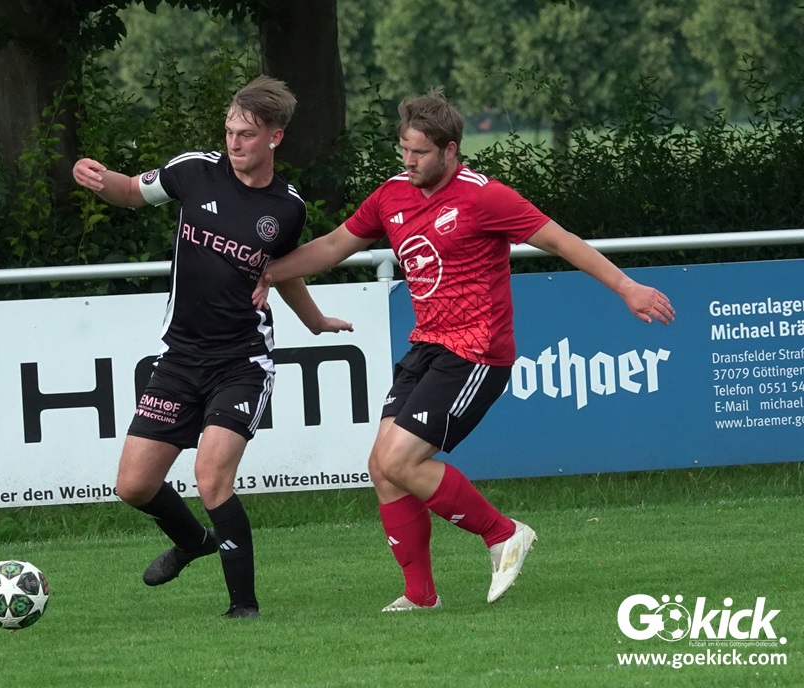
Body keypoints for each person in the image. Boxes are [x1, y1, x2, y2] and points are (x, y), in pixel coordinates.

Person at [253, 89, 675, 612]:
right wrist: (267, 271)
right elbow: (334, 245)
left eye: (420, 153)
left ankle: (503, 533)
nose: (408, 161)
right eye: (403, 150)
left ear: (450, 150)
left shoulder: (485, 197)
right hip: (427, 346)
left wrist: (628, 288)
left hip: (476, 351)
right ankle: (420, 595)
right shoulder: (392, 195)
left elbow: (561, 241)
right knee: (381, 467)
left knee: (400, 459)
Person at [72, 76, 353, 619]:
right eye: (229, 131)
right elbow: (130, 192)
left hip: (242, 362)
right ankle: (193, 541)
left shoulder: (286, 208)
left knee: (211, 477)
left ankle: (243, 607)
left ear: (275, 137)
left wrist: (314, 321)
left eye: (246, 134)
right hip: (180, 358)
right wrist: (100, 180)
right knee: (133, 485)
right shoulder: (193, 171)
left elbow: (282, 270)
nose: (234, 142)